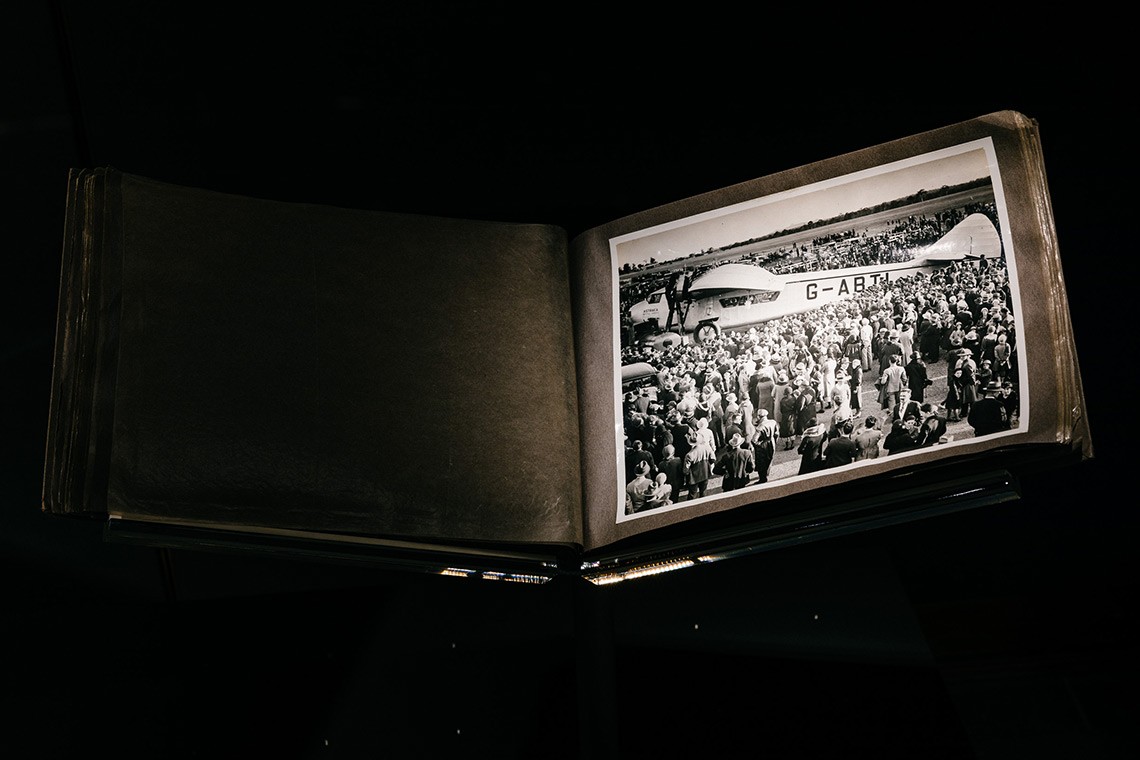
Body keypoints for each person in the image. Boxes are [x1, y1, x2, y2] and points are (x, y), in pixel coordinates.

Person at [683, 432, 716, 501]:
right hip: (705, 472)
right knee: (703, 491)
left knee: (692, 494)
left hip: (694, 477)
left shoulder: (689, 454)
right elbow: (713, 459)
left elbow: (685, 470)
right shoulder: (707, 448)